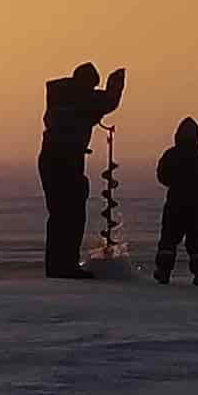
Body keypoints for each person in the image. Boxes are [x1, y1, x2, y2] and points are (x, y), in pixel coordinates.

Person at [39, 62, 125, 278]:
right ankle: (65, 266)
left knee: (59, 215)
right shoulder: (79, 99)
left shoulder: (60, 96)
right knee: (71, 215)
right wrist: (116, 84)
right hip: (66, 163)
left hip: (51, 160)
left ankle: (57, 265)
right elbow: (107, 102)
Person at [153, 117, 198, 285]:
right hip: (197, 204)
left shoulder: (172, 154)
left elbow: (162, 175)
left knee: (168, 239)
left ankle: (164, 271)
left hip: (176, 203)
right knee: (197, 239)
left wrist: (177, 182)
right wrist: (196, 186)